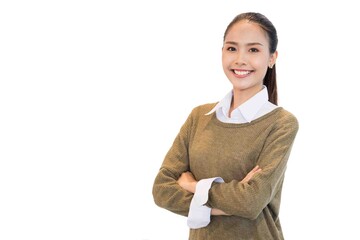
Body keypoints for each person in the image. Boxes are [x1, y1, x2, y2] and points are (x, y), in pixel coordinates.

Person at [152, 12, 299, 240]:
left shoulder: (281, 124)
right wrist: (220, 207)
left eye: (253, 50)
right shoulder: (199, 117)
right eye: (232, 48)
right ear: (222, 52)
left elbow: (251, 202)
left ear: (272, 57)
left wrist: (193, 186)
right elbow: (162, 189)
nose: (240, 59)